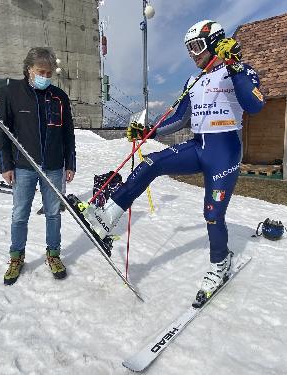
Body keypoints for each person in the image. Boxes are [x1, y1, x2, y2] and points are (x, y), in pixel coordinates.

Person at [82, 20, 264, 304]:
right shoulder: (193, 81)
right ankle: (108, 216)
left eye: (197, 47)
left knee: (213, 214)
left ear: (215, 42)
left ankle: (220, 262)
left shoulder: (238, 70)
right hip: (199, 146)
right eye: (189, 49)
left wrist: (236, 65)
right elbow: (179, 118)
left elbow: (255, 105)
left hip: (224, 152)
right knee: (151, 164)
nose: (192, 54)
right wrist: (146, 131)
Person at [0, 47, 76, 285]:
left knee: (53, 213)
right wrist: (5, 165)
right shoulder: (11, 93)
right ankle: (16, 257)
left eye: (49, 73)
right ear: (29, 69)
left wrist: (69, 163)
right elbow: (3, 133)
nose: (46, 77)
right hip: (23, 166)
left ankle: (53, 254)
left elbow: (68, 133)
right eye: (41, 72)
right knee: (20, 214)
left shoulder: (59, 97)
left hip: (53, 165)